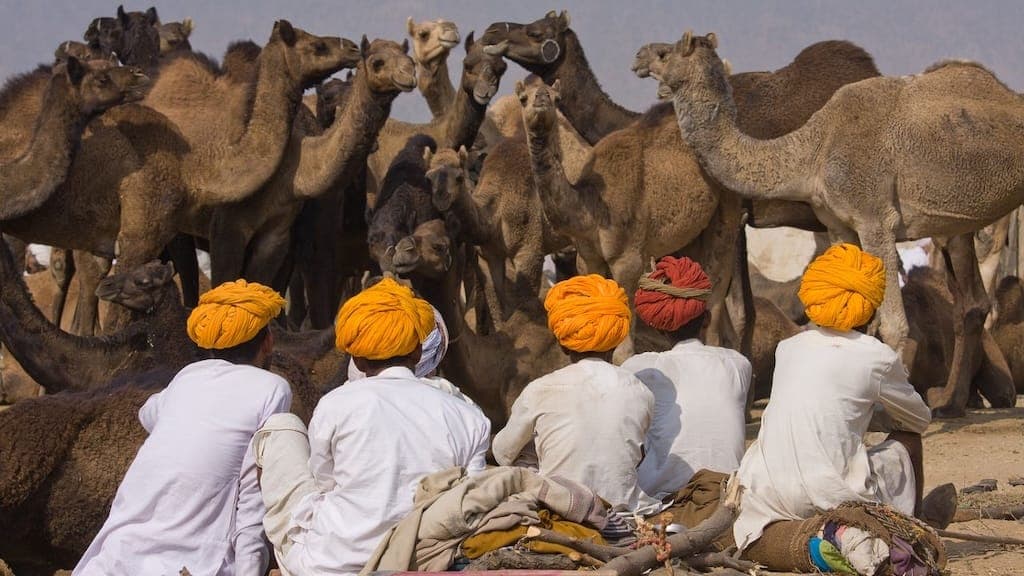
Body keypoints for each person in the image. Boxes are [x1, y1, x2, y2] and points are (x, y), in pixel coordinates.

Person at [254, 278, 490, 576]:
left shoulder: (336, 404)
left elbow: (323, 482)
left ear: (358, 361)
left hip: (331, 564)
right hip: (422, 560)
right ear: (418, 354)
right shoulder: (468, 415)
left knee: (281, 426)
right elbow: (474, 497)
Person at [74, 280, 292, 576]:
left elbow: (147, 414)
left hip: (118, 555)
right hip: (196, 561)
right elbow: (253, 492)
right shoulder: (273, 388)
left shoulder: (189, 376)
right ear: (267, 342)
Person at [733, 243, 933, 551]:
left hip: (767, 493)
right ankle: (914, 532)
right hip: (829, 497)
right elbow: (919, 419)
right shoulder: (877, 357)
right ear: (870, 307)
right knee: (909, 439)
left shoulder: (790, 347)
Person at [492, 274, 659, 514]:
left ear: (562, 344)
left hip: (560, 512)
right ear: (616, 340)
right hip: (627, 510)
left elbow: (502, 454)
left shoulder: (540, 390)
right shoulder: (640, 391)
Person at [621, 256, 751, 499]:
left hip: (663, 499)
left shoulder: (640, 368)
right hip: (729, 494)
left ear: (658, 328)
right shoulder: (737, 364)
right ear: (708, 319)